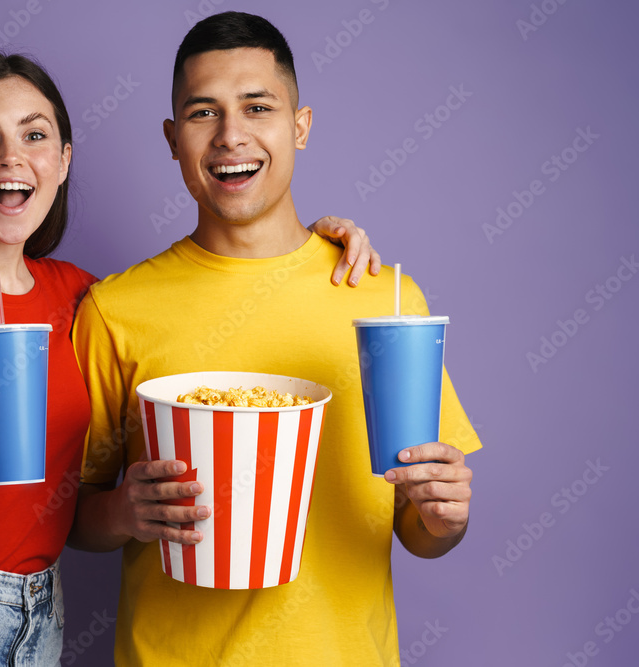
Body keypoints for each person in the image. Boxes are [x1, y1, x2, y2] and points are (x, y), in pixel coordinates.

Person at [0, 51, 377, 665]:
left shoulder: (80, 297)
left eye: (34, 135)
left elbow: (193, 300)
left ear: (62, 161)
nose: (10, 157)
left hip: (36, 617)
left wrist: (315, 246)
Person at [69, 12, 481, 666]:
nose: (232, 136)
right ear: (174, 139)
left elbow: (418, 529)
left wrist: (446, 518)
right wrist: (123, 510)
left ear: (299, 126)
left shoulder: (383, 298)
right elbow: (70, 513)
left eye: (257, 107)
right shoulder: (114, 309)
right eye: (204, 114)